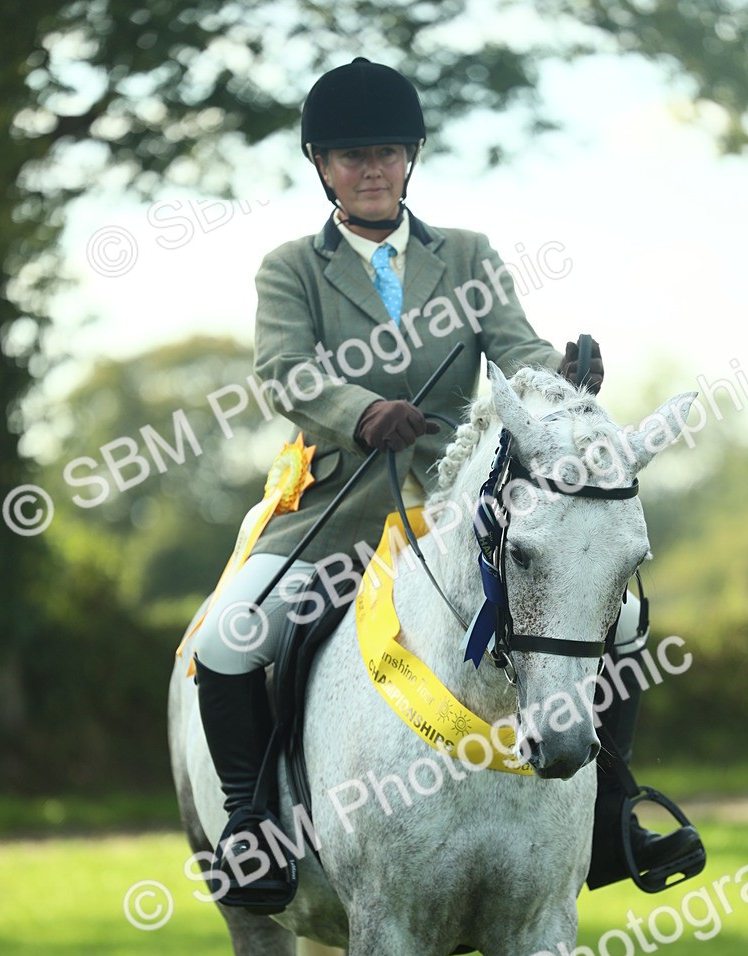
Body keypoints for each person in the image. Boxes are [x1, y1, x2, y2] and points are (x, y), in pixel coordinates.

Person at [192, 57, 703, 908]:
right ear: (320, 165)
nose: (371, 170)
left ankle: (613, 814)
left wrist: (567, 376)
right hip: (333, 512)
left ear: (412, 157)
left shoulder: (467, 257)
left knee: (629, 620)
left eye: (387, 152)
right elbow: (285, 373)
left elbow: (520, 353)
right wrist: (360, 413)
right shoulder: (290, 268)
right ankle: (251, 828)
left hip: (458, 521)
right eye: (352, 156)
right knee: (230, 638)